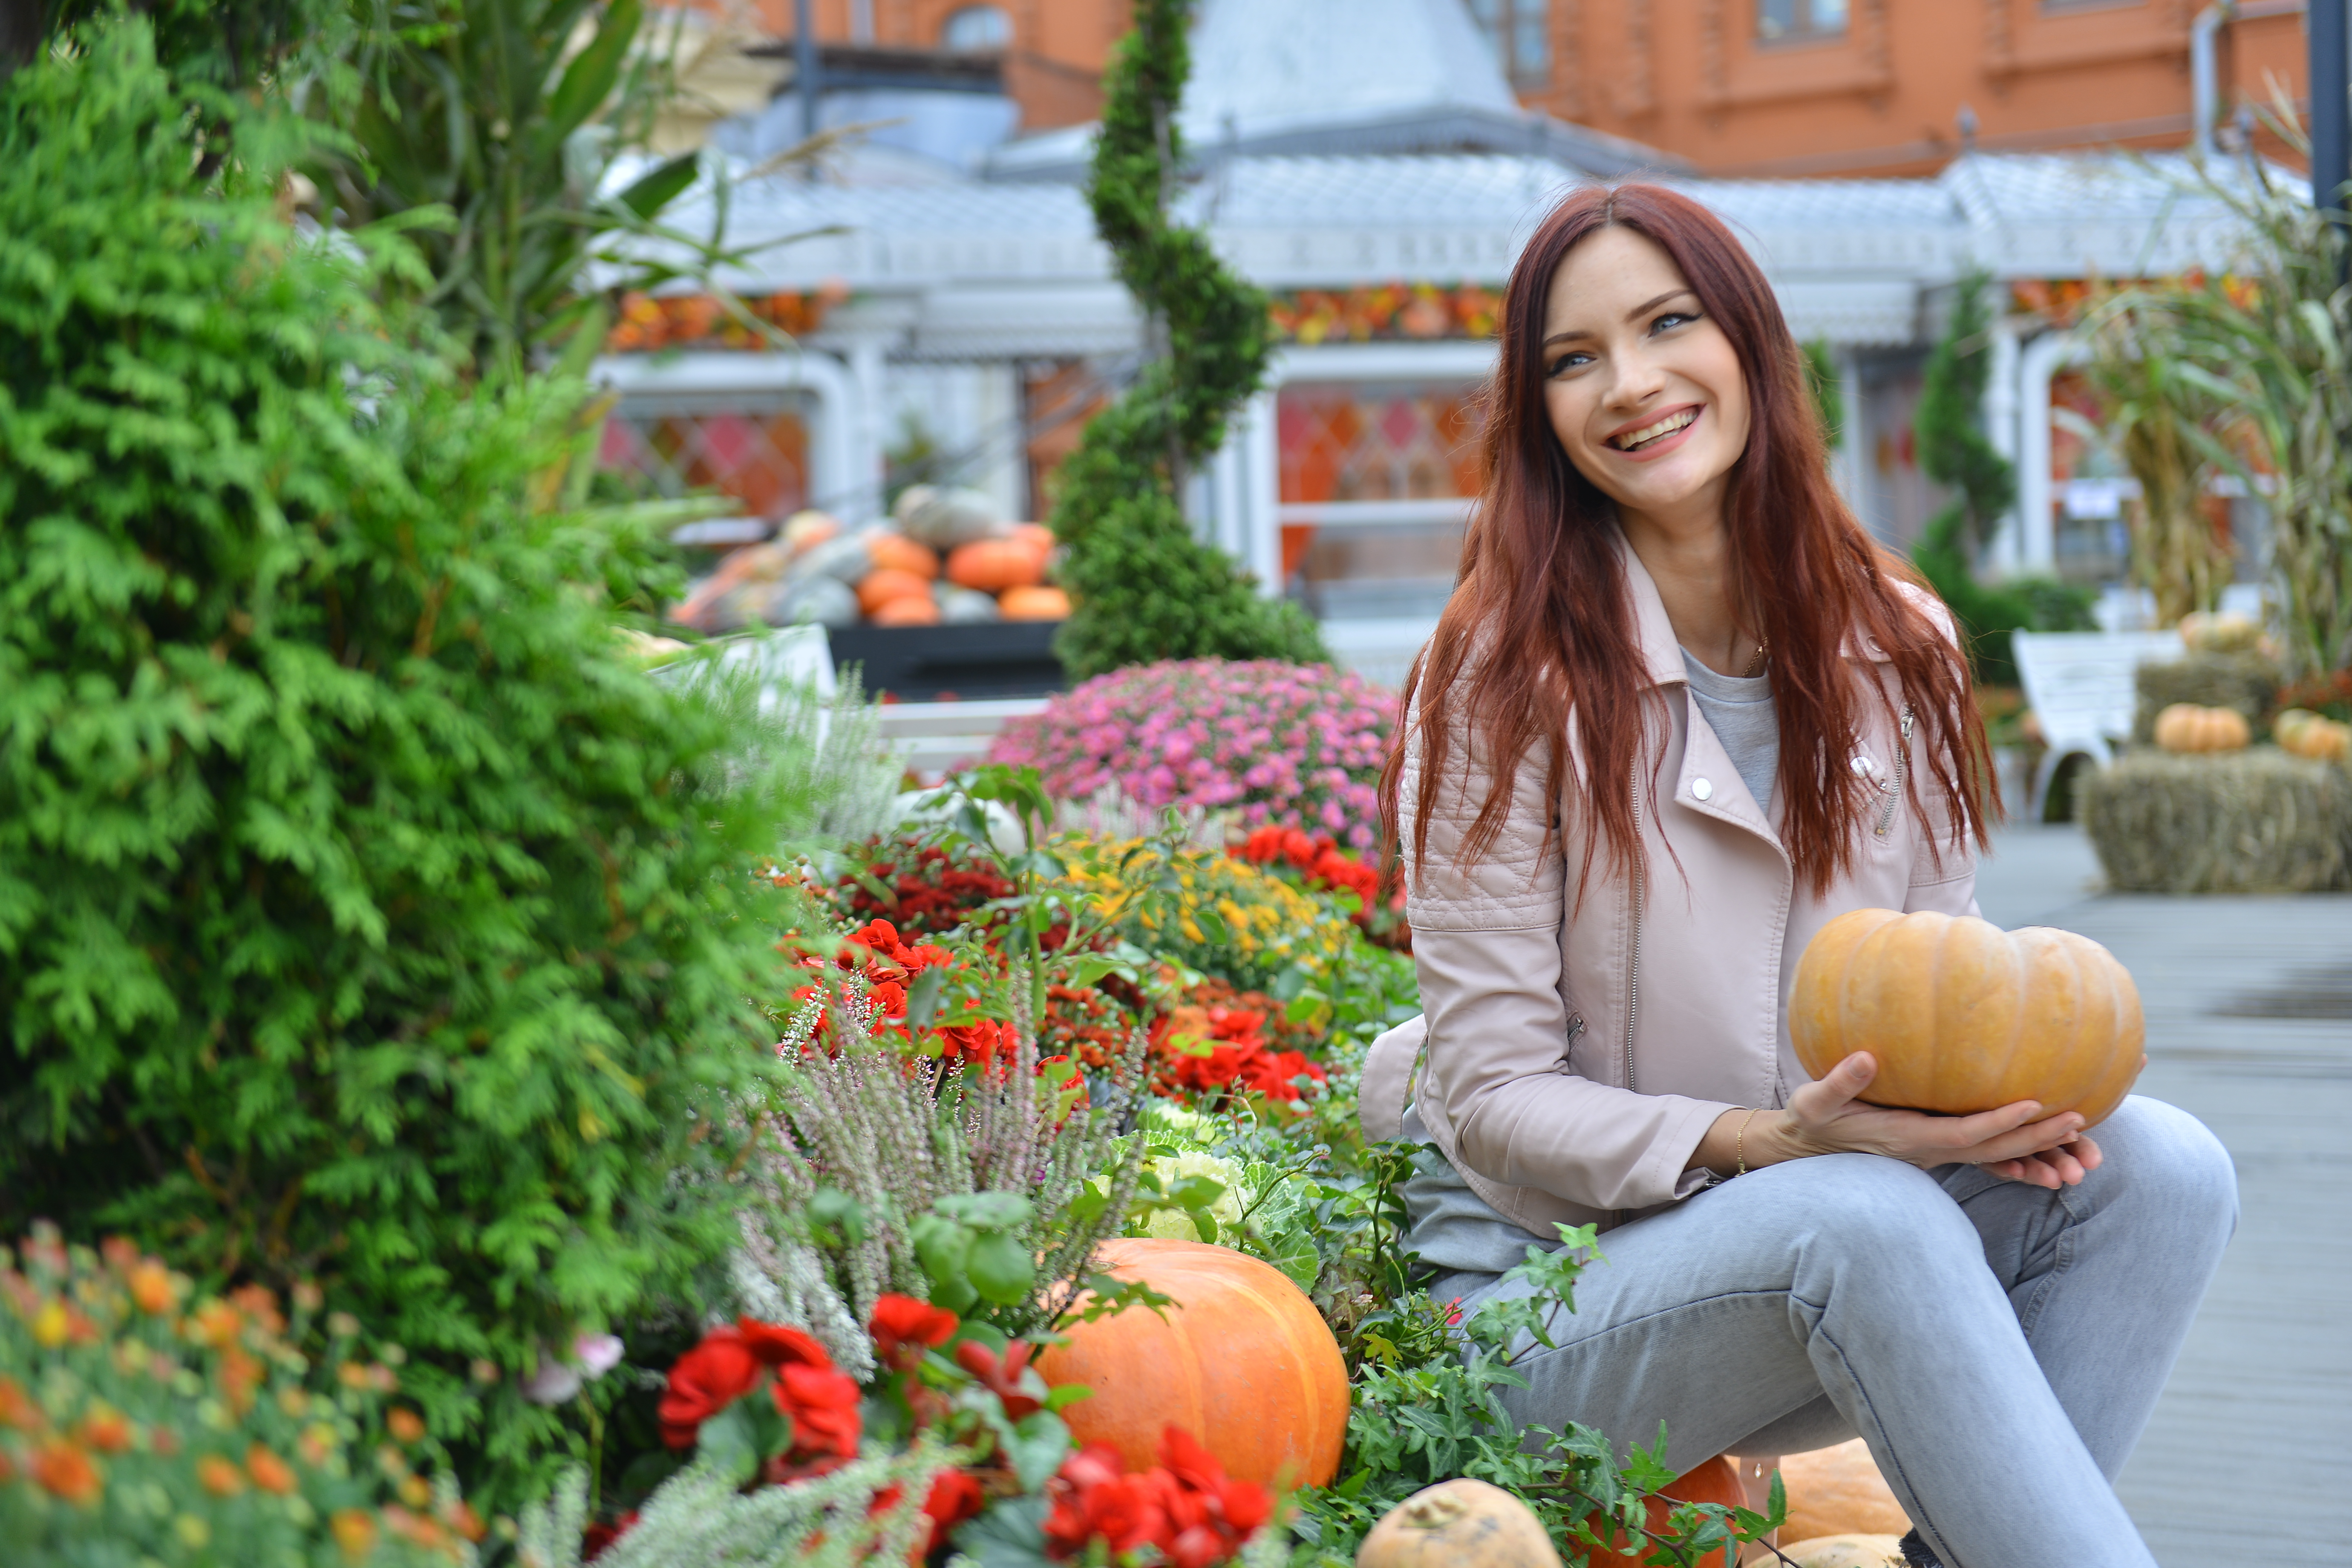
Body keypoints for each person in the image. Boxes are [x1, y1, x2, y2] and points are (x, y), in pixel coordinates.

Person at [1361, 184, 2236, 1568]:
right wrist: (1761, 1146)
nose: (1631, 385)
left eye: (1668, 325)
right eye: (1573, 360)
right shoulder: (1499, 671)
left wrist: (1990, 1118)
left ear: (1750, 341)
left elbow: (1936, 987)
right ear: (1539, 415)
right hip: (1559, 1310)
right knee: (1862, 1210)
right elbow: (1491, 1095)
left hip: (1832, 1264)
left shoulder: (1904, 642)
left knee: (2167, 1169)